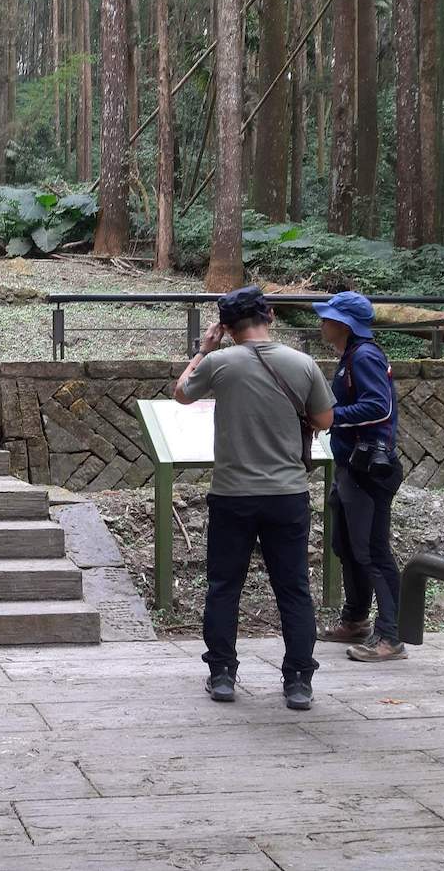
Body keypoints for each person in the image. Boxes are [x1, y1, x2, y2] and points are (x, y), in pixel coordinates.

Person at [174, 286, 335, 710]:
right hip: (287, 494)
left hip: (232, 493)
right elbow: (324, 418)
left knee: (224, 586)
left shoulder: (219, 362)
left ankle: (223, 674)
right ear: (271, 316)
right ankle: (299, 680)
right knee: (294, 588)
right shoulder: (302, 363)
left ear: (226, 327)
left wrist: (204, 348)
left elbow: (182, 393)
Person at [313, 291, 407, 662]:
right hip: (351, 467)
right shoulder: (350, 357)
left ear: (344, 324)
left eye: (328, 317)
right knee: (346, 545)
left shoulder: (364, 356)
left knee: (372, 551)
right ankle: (356, 620)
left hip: (368, 471)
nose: (322, 322)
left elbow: (378, 405)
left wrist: (331, 416)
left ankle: (390, 637)